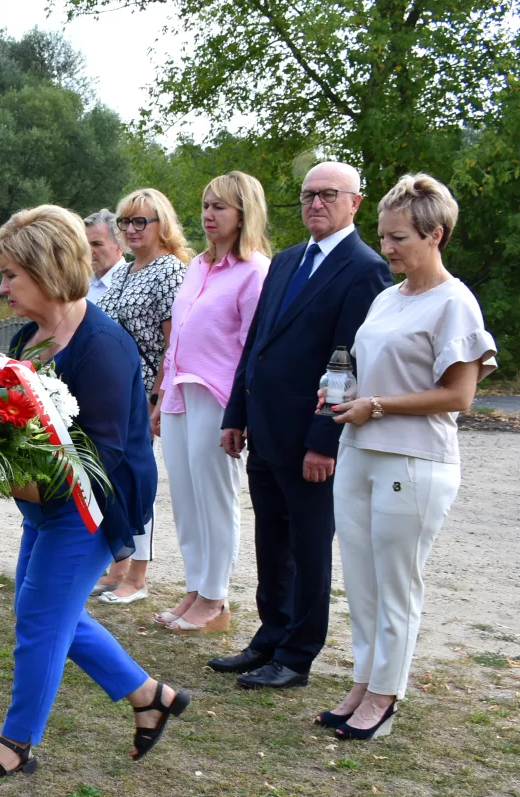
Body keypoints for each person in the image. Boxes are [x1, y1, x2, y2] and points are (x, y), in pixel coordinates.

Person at [0, 206, 190, 779]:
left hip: (94, 504)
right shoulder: (26, 338)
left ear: (50, 268)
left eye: (12, 274)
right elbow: (17, 426)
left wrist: (23, 477)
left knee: (39, 615)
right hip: (43, 503)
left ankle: (17, 742)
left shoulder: (103, 346)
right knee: (44, 609)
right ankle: (149, 695)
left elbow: (104, 457)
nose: (2, 286)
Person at [318, 174, 495, 739]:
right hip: (360, 448)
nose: (388, 248)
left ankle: (386, 696)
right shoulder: (386, 297)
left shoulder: (455, 302)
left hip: (414, 459)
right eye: (384, 236)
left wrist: (378, 403)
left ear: (435, 235)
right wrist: (342, 392)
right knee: (362, 581)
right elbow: (368, 369)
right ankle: (363, 680)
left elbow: (459, 395)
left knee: (397, 584)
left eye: (399, 238)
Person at [212, 162, 392, 689]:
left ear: (355, 202)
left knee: (309, 548)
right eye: (308, 194)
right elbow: (257, 345)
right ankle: (270, 636)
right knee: (272, 542)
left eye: (328, 194)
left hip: (310, 437)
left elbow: (349, 365)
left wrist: (324, 440)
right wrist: (236, 415)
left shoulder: (365, 270)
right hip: (264, 429)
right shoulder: (287, 262)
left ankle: (297, 654)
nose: (315, 203)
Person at [153, 172, 271, 634]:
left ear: (244, 213)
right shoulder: (196, 266)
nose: (207, 214)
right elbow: (176, 338)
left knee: (215, 498)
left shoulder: (255, 271)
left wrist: (240, 412)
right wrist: (163, 395)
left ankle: (215, 598)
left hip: (219, 395)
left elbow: (251, 347)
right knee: (185, 497)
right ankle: (195, 588)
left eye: (220, 206)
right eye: (205, 205)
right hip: (181, 390)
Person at [94, 188, 191, 605]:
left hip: (144, 389)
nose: (131, 230)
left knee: (138, 480)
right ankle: (118, 566)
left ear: (161, 225)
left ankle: (138, 576)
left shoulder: (169, 269)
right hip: (114, 390)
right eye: (125, 223)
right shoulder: (129, 270)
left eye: (141, 222)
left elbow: (176, 343)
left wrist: (157, 397)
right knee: (115, 478)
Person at [85, 209, 126, 307]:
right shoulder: (80, 285)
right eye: (85, 244)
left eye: (97, 244)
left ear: (120, 245)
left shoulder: (131, 286)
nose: (88, 250)